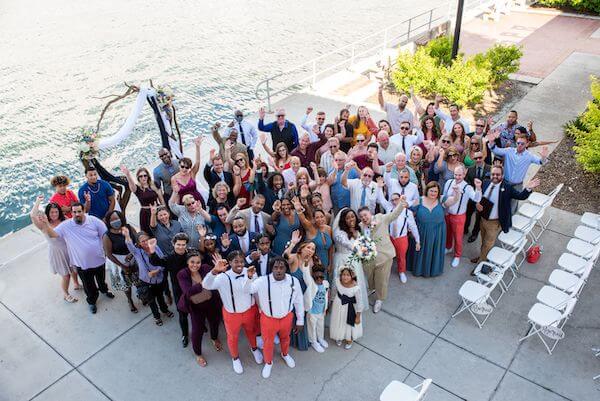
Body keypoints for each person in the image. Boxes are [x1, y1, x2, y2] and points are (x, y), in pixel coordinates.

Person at [40, 203, 114, 314]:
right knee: (89, 287)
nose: (77, 214)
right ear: (72, 213)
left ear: (83, 211)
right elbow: (53, 234)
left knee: (101, 280)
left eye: (79, 211)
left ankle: (104, 290)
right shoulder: (66, 225)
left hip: (99, 260)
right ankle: (92, 302)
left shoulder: (94, 220)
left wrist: (106, 251)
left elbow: (105, 235)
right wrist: (46, 224)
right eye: (74, 212)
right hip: (82, 264)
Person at [202, 252, 263, 374]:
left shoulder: (250, 271)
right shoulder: (222, 277)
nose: (239, 264)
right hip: (231, 314)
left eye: (241, 261)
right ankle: (235, 358)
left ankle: (254, 348)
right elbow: (206, 285)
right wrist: (214, 271)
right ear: (229, 263)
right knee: (232, 337)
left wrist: (260, 306)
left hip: (249, 310)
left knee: (251, 332)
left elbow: (255, 290)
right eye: (236, 261)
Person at [244, 257, 304, 379]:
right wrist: (249, 278)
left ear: (286, 268)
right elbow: (247, 290)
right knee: (268, 342)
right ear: (271, 268)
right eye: (275, 267)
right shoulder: (262, 281)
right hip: (268, 319)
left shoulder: (293, 281)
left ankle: (285, 354)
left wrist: (300, 320)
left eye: (281, 267)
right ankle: (268, 362)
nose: (278, 270)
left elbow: (299, 301)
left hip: (287, 317)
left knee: (285, 338)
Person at [470, 167, 540, 264]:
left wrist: (528, 188)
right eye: (493, 174)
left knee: (488, 244)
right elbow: (479, 198)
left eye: (497, 174)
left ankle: (481, 263)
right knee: (482, 241)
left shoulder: (507, 188)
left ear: (502, 176)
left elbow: (520, 196)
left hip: (494, 223)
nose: (495, 176)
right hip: (482, 219)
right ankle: (482, 256)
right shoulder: (485, 183)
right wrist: (477, 203)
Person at [357, 195, 406, 313]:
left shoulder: (381, 218)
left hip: (384, 256)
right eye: (361, 216)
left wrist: (401, 204)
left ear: (370, 213)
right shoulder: (360, 226)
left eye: (365, 215)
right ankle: (373, 289)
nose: (364, 218)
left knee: (382, 280)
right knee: (370, 277)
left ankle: (379, 299)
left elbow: (394, 214)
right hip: (369, 259)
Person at [30, 196, 81, 303]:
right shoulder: (43, 224)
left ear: (59, 212)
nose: (54, 214)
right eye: (51, 212)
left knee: (74, 269)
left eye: (56, 212)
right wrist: (38, 201)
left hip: (69, 249)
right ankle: (66, 294)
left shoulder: (65, 220)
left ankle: (76, 283)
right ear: (47, 213)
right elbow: (32, 215)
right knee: (66, 275)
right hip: (57, 253)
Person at [177, 251, 223, 367]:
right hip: (196, 307)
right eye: (192, 262)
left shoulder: (206, 268)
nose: (195, 265)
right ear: (187, 262)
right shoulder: (182, 274)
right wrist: (205, 281)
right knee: (197, 331)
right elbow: (188, 292)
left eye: (198, 262)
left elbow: (218, 278)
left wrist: (220, 270)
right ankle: (198, 354)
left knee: (214, 322)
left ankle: (214, 338)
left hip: (211, 302)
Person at [487, 130, 548, 212]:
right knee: (501, 201)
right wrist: (491, 141)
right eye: (518, 143)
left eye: (522, 144)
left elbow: (540, 162)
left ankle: (509, 221)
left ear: (527, 144)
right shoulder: (509, 151)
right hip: (505, 182)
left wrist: (543, 157)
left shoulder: (529, 156)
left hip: (517, 185)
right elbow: (496, 150)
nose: (519, 145)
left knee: (513, 205)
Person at [149, 233, 192, 347]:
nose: (181, 247)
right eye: (178, 244)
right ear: (173, 244)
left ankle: (201, 326)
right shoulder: (169, 258)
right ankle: (185, 335)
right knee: (182, 314)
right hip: (178, 290)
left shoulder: (191, 254)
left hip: (192, 288)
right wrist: (152, 250)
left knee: (195, 309)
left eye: (183, 244)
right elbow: (155, 262)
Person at [123, 229, 173, 325]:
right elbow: (129, 245)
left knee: (160, 297)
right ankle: (157, 317)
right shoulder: (137, 252)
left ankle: (165, 310)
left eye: (147, 239)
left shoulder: (156, 247)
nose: (146, 242)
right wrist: (127, 235)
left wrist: (157, 271)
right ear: (138, 243)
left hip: (159, 279)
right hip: (146, 281)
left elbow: (163, 262)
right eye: (143, 241)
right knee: (151, 301)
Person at [410, 182, 458, 278]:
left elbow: (453, 201)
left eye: (435, 191)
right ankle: (420, 270)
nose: (433, 193)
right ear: (427, 190)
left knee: (434, 250)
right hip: (422, 231)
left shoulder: (441, 199)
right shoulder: (419, 200)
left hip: (438, 232)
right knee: (422, 250)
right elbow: (410, 212)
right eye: (431, 190)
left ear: (438, 192)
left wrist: (457, 193)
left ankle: (433, 270)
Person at [375, 184, 420, 284]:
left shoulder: (407, 212)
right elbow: (382, 199)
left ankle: (401, 272)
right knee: (387, 255)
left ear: (400, 199)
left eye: (396, 199)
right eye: (392, 200)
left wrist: (418, 241)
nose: (394, 201)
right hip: (389, 237)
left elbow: (413, 226)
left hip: (401, 238)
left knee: (401, 256)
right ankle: (386, 270)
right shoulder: (389, 208)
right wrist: (379, 187)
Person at [442, 166, 482, 268]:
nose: (457, 177)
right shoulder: (449, 182)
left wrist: (478, 188)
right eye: (456, 174)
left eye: (460, 175)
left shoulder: (467, 187)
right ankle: (448, 247)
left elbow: (476, 198)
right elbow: (444, 196)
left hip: (459, 216)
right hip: (447, 213)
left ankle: (457, 255)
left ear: (464, 175)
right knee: (448, 233)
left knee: (458, 237)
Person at [332, 208, 369, 311]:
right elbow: (347, 244)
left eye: (352, 216)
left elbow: (362, 242)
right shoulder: (338, 232)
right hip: (342, 259)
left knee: (355, 283)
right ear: (343, 220)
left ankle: (355, 305)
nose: (351, 219)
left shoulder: (357, 229)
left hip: (355, 260)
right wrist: (364, 251)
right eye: (347, 218)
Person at [103, 211, 139, 313]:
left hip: (133, 257)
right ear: (108, 222)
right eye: (112, 220)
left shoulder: (128, 227)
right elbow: (108, 254)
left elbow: (137, 240)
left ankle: (141, 294)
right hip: (119, 261)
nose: (115, 222)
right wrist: (122, 265)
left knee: (138, 279)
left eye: (117, 219)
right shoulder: (107, 236)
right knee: (126, 284)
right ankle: (130, 300)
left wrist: (132, 253)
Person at [121, 165, 164, 233]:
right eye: (140, 176)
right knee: (149, 233)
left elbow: (161, 199)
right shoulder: (137, 188)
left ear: (148, 176)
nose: (143, 177)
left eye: (145, 175)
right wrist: (128, 175)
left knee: (162, 231)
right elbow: (131, 185)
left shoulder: (154, 184)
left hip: (158, 210)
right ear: (138, 178)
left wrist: (164, 210)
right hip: (146, 213)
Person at [329, 266, 363, 349]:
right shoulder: (337, 281)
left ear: (352, 276)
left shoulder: (356, 288)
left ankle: (349, 338)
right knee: (339, 321)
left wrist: (358, 316)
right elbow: (334, 292)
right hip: (339, 305)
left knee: (348, 323)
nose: (345, 277)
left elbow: (360, 303)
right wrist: (331, 302)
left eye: (348, 275)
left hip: (350, 308)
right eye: (343, 274)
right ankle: (339, 335)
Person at [170, 137, 207, 207]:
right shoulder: (174, 179)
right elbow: (177, 194)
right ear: (179, 166)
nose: (184, 169)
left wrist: (197, 147)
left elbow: (198, 162)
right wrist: (177, 207)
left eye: (187, 167)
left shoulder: (192, 173)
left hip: (197, 200)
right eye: (182, 167)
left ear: (189, 168)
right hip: (184, 204)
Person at [301, 265, 329, 353]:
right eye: (316, 277)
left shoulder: (325, 283)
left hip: (321, 310)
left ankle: (320, 338)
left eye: (321, 277)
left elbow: (326, 296)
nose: (319, 279)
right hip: (312, 311)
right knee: (312, 327)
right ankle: (313, 341)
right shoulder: (311, 283)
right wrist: (305, 265)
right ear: (313, 276)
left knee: (320, 325)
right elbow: (306, 275)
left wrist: (326, 308)